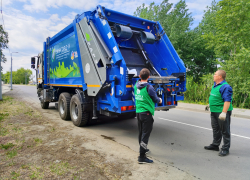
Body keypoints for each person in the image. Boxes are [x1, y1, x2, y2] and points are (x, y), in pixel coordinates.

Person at [134, 68, 162, 164]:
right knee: (145, 134)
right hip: (146, 114)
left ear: (139, 76)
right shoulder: (149, 88)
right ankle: (142, 157)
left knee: (141, 133)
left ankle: (143, 149)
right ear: (149, 77)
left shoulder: (135, 86)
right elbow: (155, 99)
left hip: (138, 112)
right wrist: (160, 100)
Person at [204, 70, 233, 156]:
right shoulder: (215, 85)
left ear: (220, 77)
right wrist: (209, 104)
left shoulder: (225, 87)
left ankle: (225, 149)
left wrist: (224, 113)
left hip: (221, 112)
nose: (213, 75)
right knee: (216, 129)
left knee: (225, 130)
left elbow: (227, 100)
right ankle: (215, 145)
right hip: (214, 111)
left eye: (215, 74)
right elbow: (216, 96)